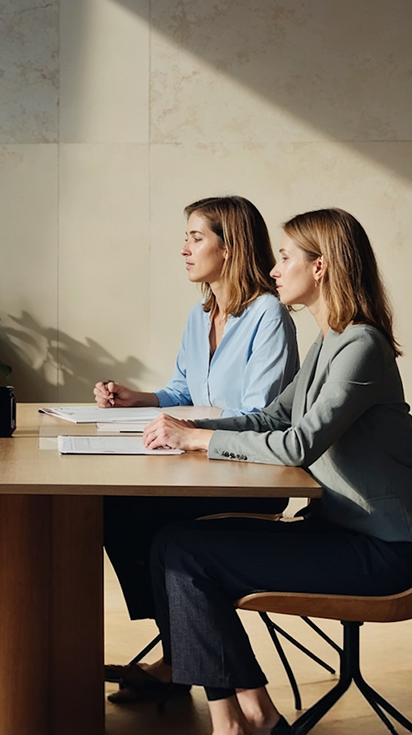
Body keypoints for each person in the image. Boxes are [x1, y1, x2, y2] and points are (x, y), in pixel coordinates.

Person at [142, 208, 412, 735]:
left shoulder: (363, 346)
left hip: (384, 554)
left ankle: (241, 722)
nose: (273, 269)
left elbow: (298, 444)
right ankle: (250, 717)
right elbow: (273, 416)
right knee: (172, 543)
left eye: (285, 256)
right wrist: (184, 425)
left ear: (321, 267)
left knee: (189, 552)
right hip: (337, 533)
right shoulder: (330, 341)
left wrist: (200, 438)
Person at [95, 196, 299, 701]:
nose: (184, 249)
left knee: (144, 519)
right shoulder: (199, 315)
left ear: (228, 248)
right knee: (115, 508)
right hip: (200, 466)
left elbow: (262, 412)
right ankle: (178, 652)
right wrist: (135, 400)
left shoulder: (269, 316)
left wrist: (187, 431)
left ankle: (178, 662)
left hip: (251, 478)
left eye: (196, 237)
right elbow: (185, 391)